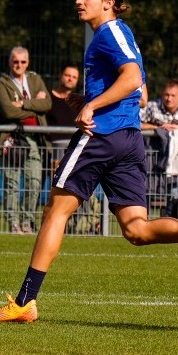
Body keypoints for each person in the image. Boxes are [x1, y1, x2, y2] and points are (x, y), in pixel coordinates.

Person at [0, 0, 178, 323]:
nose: (79, 1)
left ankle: (25, 302)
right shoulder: (118, 34)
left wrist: (92, 106)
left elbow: (133, 80)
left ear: (108, 3)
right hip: (128, 139)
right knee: (136, 230)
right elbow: (132, 87)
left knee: (55, 212)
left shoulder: (109, 32)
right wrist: (91, 97)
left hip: (101, 136)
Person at [0, 46, 51, 234]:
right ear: (10, 62)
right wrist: (35, 106)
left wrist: (24, 103)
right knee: (11, 183)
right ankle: (13, 223)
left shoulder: (35, 79)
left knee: (34, 182)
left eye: (23, 62)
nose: (19, 65)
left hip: (34, 139)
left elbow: (47, 104)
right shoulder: (2, 83)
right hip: (10, 138)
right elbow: (8, 110)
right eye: (15, 61)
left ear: (28, 63)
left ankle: (27, 222)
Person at [48, 64, 99, 234]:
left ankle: (88, 223)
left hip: (78, 148)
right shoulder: (49, 99)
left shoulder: (81, 103)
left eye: (74, 76)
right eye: (67, 75)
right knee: (58, 192)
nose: (70, 78)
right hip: (53, 150)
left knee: (81, 189)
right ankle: (56, 226)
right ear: (61, 76)